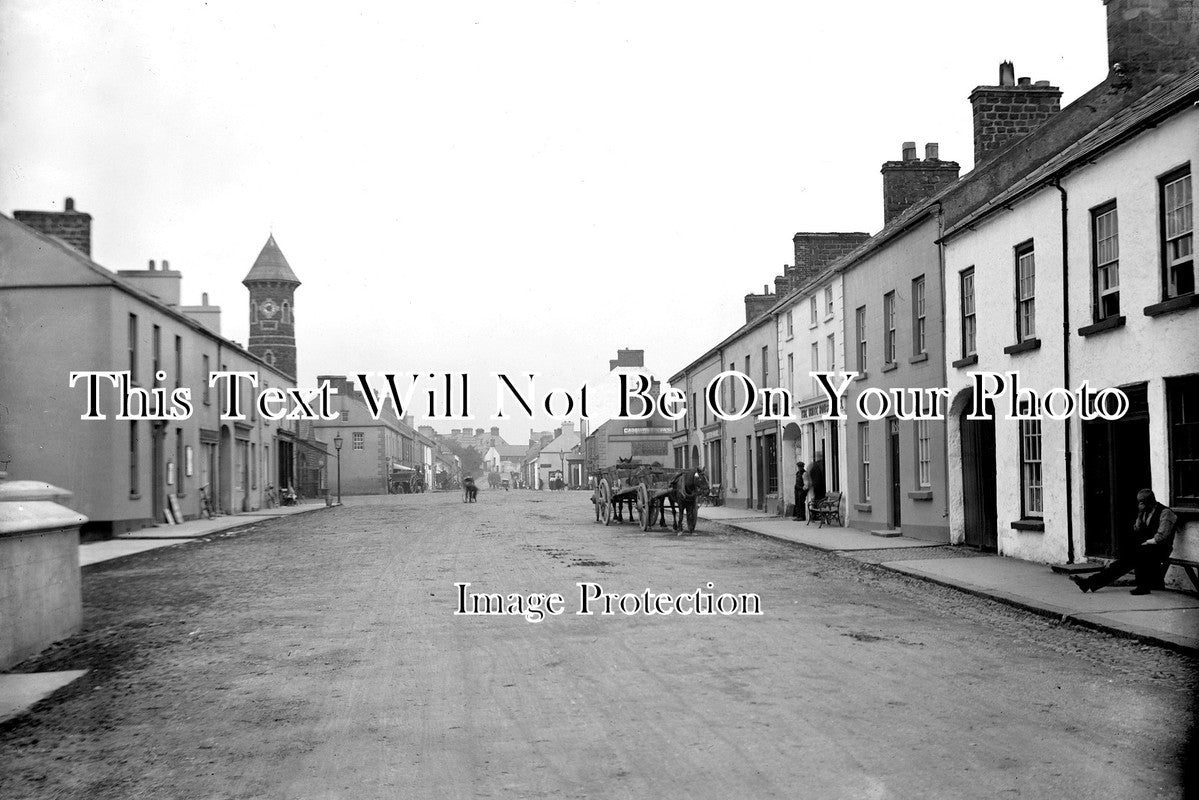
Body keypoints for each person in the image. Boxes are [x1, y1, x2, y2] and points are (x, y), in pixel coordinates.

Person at [1071, 488, 1177, 595]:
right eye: (1140, 502)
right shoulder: (1145, 512)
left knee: (1138, 555)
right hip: (1147, 547)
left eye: (1143, 502)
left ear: (1151, 501)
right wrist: (1140, 514)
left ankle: (1143, 587)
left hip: (1162, 548)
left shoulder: (1165, 512)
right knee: (1123, 562)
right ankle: (1089, 583)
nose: (1141, 504)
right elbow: (1137, 529)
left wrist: (1147, 543)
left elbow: (1161, 536)